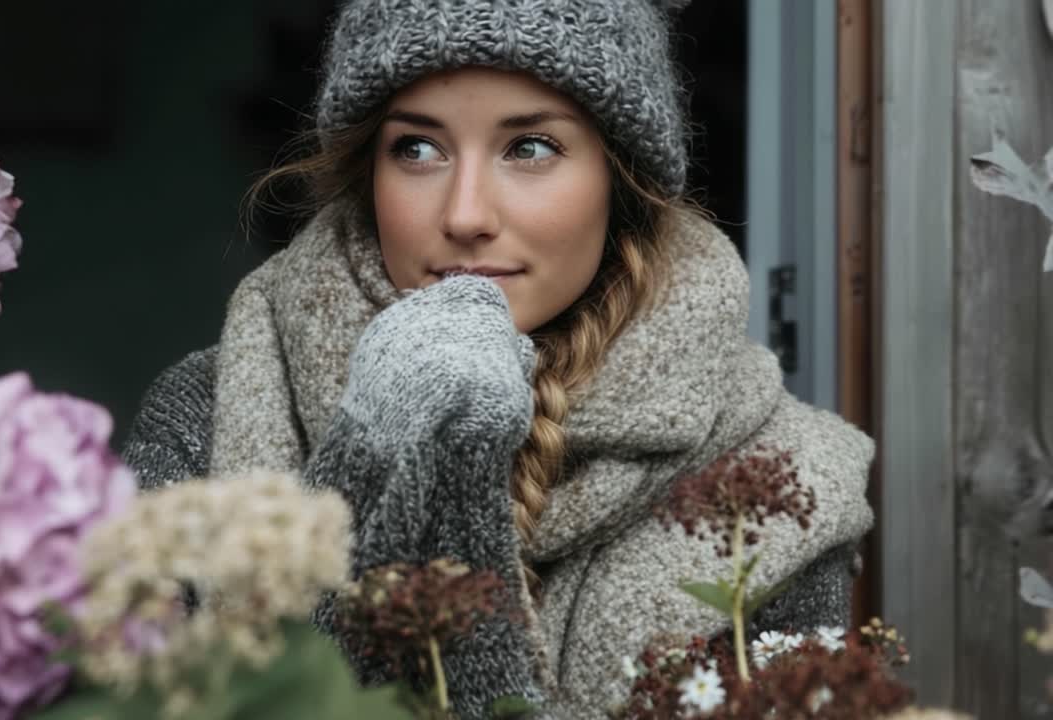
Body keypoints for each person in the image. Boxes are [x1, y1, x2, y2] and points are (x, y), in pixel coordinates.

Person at [121, 1, 873, 717]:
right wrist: (374, 448)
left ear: (620, 177)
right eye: (417, 148)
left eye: (530, 147)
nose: (465, 215)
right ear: (367, 174)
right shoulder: (206, 414)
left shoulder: (783, 482)